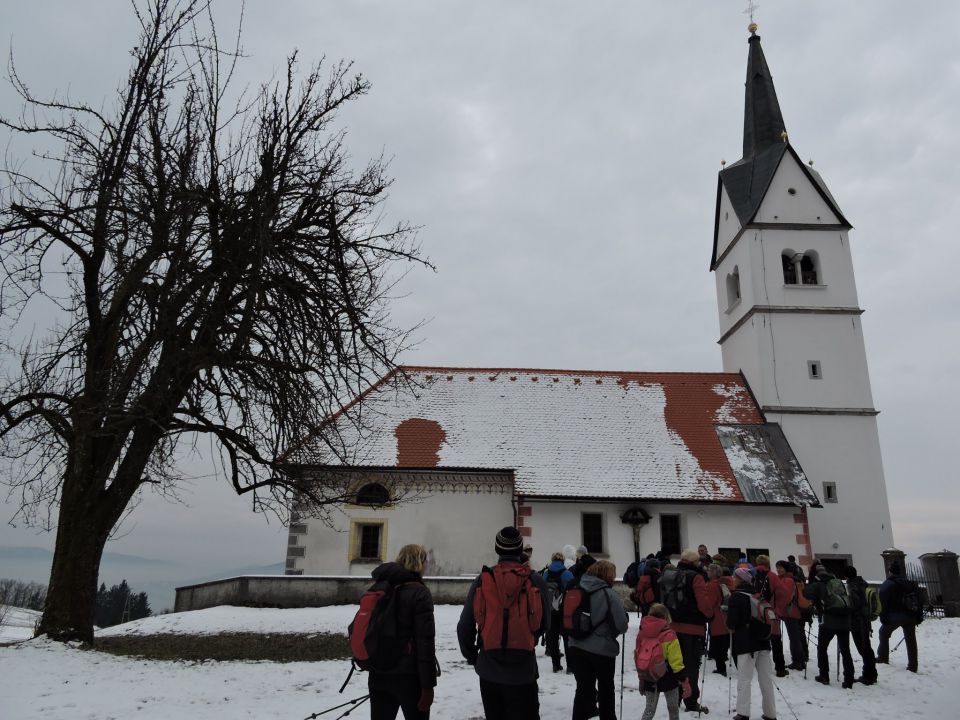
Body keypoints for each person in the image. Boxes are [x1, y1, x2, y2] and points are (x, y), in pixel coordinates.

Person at [457, 527, 551, 719]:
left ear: (497, 549)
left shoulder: (483, 580)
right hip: (524, 669)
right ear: (520, 549)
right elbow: (545, 624)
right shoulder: (535, 580)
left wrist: (475, 657)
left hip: (490, 669)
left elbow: (464, 626)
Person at [366, 544, 438, 720]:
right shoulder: (419, 592)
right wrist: (428, 686)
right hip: (409, 677)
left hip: (378, 672)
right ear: (421, 563)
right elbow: (425, 642)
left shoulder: (380, 586)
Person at [567, 560, 630, 720]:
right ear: (608, 575)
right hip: (602, 650)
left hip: (576, 645)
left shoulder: (575, 588)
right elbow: (621, 625)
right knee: (605, 689)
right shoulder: (609, 594)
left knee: (582, 689)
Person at [660, 548, 713, 714]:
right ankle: (690, 699)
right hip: (693, 628)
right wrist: (710, 615)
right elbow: (703, 603)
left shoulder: (669, 575)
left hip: (671, 627)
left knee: (674, 664)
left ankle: (674, 698)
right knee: (691, 666)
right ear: (695, 562)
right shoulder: (696, 577)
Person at [727, 567, 777, 720]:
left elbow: (732, 623)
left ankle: (743, 713)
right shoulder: (758, 596)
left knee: (744, 678)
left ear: (739, 579)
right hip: (763, 641)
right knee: (766, 679)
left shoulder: (736, 597)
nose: (732, 579)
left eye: (734, 577)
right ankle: (770, 713)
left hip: (746, 643)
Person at [803, 562, 855, 688]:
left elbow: (806, 594)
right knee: (845, 650)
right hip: (844, 619)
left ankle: (824, 675)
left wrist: (812, 581)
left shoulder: (818, 583)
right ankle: (849, 679)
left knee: (822, 648)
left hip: (828, 620)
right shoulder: (837, 581)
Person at [637, 603, 691, 720]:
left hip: (649, 676)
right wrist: (684, 681)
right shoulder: (670, 635)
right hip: (668, 677)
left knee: (649, 710)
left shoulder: (642, 633)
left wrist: (641, 678)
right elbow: (676, 662)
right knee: (673, 710)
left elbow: (638, 656)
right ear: (666, 617)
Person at [876, 561, 923, 673]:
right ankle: (913, 665)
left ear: (890, 571)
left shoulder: (888, 584)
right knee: (911, 639)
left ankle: (883, 657)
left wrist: (883, 617)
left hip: (894, 616)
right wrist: (918, 615)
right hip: (910, 615)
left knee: (883, 633)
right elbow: (919, 599)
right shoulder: (910, 583)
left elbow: (883, 602)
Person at [754, 554, 788, 677]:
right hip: (771, 610)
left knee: (760, 638)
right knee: (775, 639)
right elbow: (783, 592)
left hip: (757, 611)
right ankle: (780, 668)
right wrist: (779, 608)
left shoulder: (754, 575)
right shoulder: (772, 576)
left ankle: (759, 666)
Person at [842, 565, 878, 684]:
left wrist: (846, 608)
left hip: (858, 621)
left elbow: (855, 604)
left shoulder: (853, 586)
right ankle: (870, 673)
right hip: (864, 620)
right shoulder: (862, 583)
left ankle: (869, 675)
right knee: (866, 647)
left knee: (863, 648)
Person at [543, 551, 574, 672]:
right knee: (567, 638)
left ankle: (556, 664)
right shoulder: (567, 574)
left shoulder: (546, 574)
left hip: (550, 610)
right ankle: (570, 666)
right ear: (562, 561)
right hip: (564, 610)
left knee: (552, 637)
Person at [774, 560, 806, 672]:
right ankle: (800, 660)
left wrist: (778, 608)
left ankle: (798, 661)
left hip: (791, 612)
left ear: (786, 569)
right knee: (795, 637)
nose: (778, 569)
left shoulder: (787, 580)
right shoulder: (785, 579)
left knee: (794, 638)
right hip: (790, 611)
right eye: (777, 567)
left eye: (780, 567)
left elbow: (786, 597)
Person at [704, 562, 733, 676]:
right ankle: (721, 666)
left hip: (716, 615)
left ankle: (721, 668)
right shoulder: (720, 583)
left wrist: (706, 613)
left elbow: (710, 602)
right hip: (723, 614)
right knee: (722, 641)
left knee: (717, 642)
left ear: (714, 572)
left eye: (709, 571)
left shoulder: (711, 585)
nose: (707, 572)